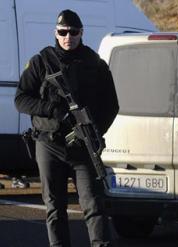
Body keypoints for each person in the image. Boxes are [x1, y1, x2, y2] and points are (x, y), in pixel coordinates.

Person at [15, 9, 118, 247]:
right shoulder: (42, 61)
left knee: (93, 204)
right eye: (62, 32)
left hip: (82, 147)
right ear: (56, 33)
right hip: (49, 144)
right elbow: (21, 99)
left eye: (73, 32)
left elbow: (111, 104)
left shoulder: (94, 63)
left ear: (81, 33)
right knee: (55, 208)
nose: (67, 37)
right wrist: (52, 110)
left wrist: (94, 131)